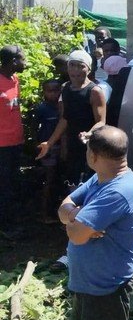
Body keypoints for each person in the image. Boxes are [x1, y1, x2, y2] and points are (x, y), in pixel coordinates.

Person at [58, 125, 133, 320]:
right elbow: (63, 207)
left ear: (93, 155)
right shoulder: (101, 178)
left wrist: (74, 221)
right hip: (91, 283)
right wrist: (76, 215)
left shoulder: (117, 191)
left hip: (107, 286)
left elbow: (76, 235)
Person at [37, 50, 106, 188]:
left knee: (87, 187)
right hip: (72, 145)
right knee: (72, 185)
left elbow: (101, 122)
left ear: (88, 68)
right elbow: (65, 119)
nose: (76, 70)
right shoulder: (66, 88)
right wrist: (49, 143)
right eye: (72, 65)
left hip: (89, 147)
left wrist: (89, 133)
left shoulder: (94, 91)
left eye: (81, 66)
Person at [0, 45, 27, 233]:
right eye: (22, 59)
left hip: (15, 143)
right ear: (13, 61)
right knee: (4, 185)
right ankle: (6, 227)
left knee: (12, 184)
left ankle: (11, 220)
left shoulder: (15, 79)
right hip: (1, 145)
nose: (25, 63)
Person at [34, 79, 63, 223]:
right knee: (49, 179)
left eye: (56, 90)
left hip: (62, 146)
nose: (53, 94)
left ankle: (57, 211)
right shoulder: (42, 108)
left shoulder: (62, 107)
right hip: (48, 148)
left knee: (58, 178)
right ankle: (44, 213)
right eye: (49, 91)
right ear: (44, 92)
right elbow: (34, 128)